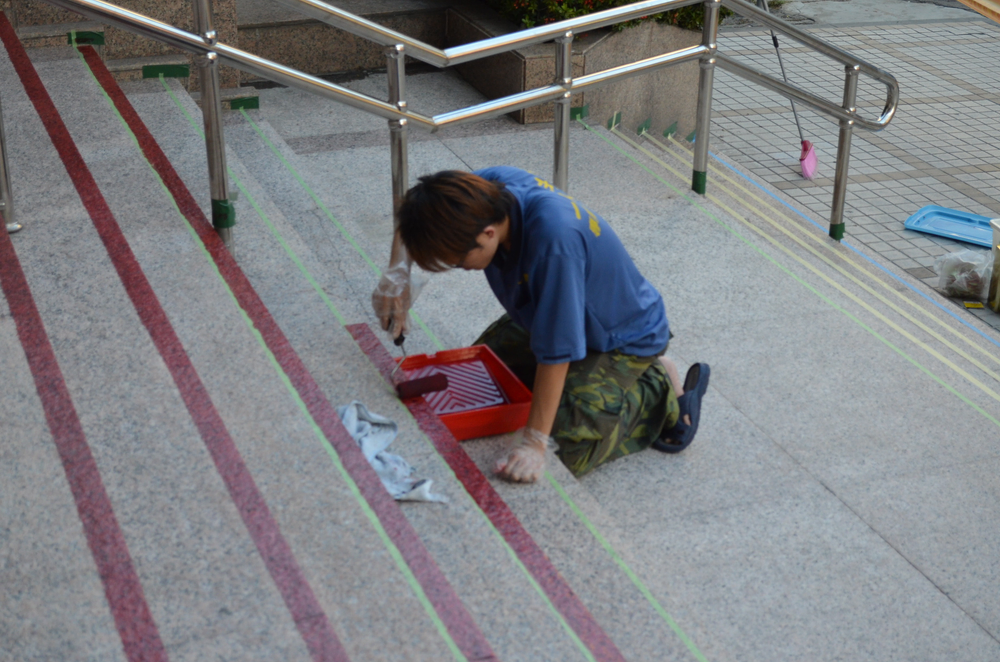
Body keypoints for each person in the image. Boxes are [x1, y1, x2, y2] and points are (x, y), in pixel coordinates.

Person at [372, 167, 709, 483]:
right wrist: (398, 272)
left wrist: (535, 443)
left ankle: (656, 388)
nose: (459, 267)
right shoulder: (488, 189)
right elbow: (419, 211)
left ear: (488, 234)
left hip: (621, 337)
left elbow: (556, 352)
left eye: (459, 261)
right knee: (479, 377)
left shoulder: (553, 244)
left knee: (565, 450)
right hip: (547, 308)